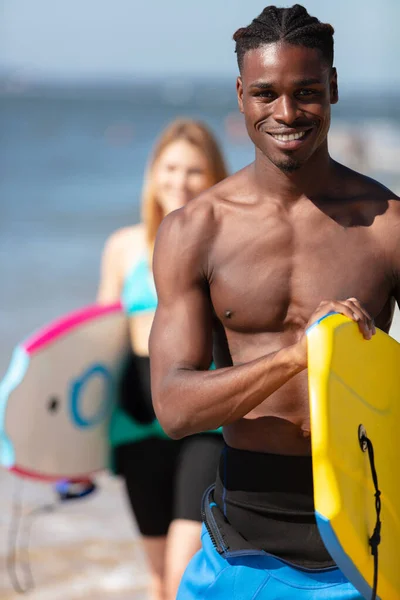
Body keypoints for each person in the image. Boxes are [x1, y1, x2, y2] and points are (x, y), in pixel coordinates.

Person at [149, 5, 398, 599]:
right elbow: (174, 408)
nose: (287, 114)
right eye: (266, 94)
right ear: (240, 95)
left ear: (333, 87)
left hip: (371, 541)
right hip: (243, 546)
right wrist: (296, 359)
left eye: (307, 92)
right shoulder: (195, 231)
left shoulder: (388, 225)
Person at [97, 119, 228, 600]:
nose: (180, 181)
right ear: (153, 174)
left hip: (202, 424)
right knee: (157, 582)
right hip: (134, 425)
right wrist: (63, 443)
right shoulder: (123, 246)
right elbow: (96, 346)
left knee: (181, 572)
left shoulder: (225, 244)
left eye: (195, 170)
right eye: (170, 168)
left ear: (215, 176)